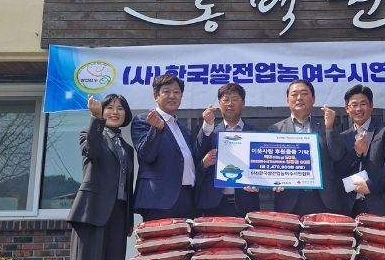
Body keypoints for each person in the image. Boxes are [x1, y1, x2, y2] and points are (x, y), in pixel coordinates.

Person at [67, 93, 134, 260]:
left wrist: (128, 219)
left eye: (120, 108)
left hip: (118, 215)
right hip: (91, 212)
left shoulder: (127, 148)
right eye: (110, 107)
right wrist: (96, 120)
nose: (115, 112)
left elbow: (127, 186)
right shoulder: (89, 132)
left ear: (126, 114)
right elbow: (92, 152)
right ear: (102, 111)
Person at [269, 79, 347, 216]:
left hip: (323, 200)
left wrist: (329, 128)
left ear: (313, 99)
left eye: (304, 93)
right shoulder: (275, 129)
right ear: (287, 100)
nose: (299, 98)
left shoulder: (327, 125)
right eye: (294, 94)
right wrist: (273, 181)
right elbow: (269, 165)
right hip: (289, 201)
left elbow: (337, 155)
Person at [131, 73, 196, 221]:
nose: (172, 96)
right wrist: (157, 129)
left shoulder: (184, 130)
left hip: (187, 199)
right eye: (166, 91)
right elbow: (146, 155)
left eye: (176, 92)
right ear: (156, 96)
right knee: (159, 238)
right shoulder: (143, 120)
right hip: (159, 200)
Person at [335, 84, 385, 217]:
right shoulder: (343, 137)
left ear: (371, 106)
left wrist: (371, 185)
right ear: (347, 109)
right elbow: (339, 169)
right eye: (354, 105)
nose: (358, 109)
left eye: (363, 104)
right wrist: (356, 153)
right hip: (351, 207)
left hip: (380, 204)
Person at [194, 83, 260, 217]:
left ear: (243, 103)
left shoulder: (255, 133)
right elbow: (196, 158)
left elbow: (262, 166)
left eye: (235, 99)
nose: (230, 104)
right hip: (214, 204)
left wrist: (259, 183)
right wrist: (204, 163)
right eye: (226, 100)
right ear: (219, 104)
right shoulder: (210, 131)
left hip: (247, 203)